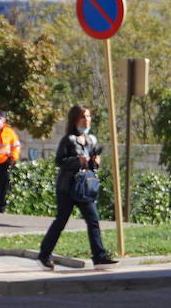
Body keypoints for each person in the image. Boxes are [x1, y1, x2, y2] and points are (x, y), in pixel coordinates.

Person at [37, 104, 117, 270]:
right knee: (61, 221)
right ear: (74, 120)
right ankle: (44, 255)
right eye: (83, 117)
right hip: (67, 187)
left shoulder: (91, 140)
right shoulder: (68, 140)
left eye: (88, 117)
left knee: (93, 220)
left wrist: (95, 163)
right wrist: (76, 161)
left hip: (85, 186)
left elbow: (92, 165)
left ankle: (99, 256)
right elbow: (59, 161)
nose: (86, 120)